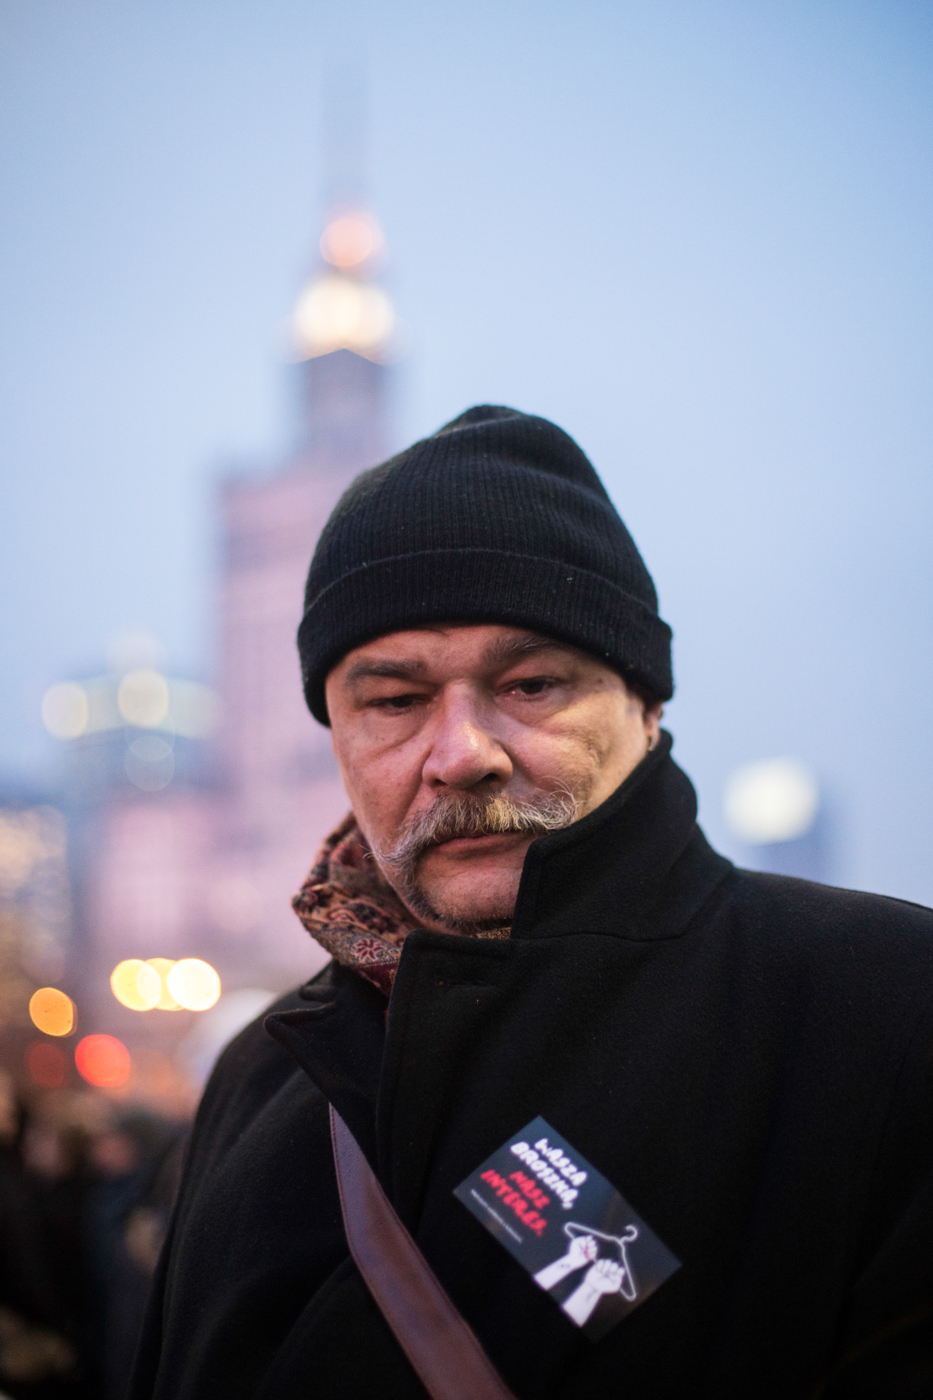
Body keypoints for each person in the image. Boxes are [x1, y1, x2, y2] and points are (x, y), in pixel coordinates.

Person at [130, 406, 933, 1400]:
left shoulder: (884, 1013)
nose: (463, 750)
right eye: (393, 699)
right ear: (331, 734)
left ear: (646, 704)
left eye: (533, 681)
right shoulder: (263, 1077)